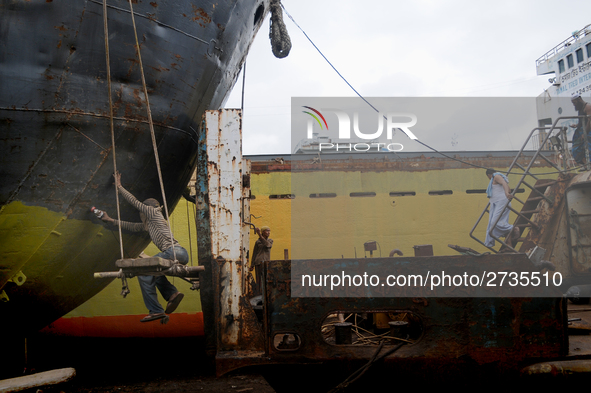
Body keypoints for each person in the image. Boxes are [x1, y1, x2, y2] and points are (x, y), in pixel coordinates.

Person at [100, 172, 188, 323]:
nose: (140, 214)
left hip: (174, 252)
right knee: (155, 273)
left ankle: (155, 310)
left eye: (141, 212)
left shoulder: (153, 212)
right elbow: (131, 226)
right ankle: (172, 294)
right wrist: (110, 220)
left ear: (145, 210)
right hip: (178, 253)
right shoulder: (149, 225)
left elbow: (134, 202)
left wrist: (119, 186)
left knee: (144, 271)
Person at [485, 169, 519, 248]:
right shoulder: (497, 178)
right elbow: (507, 187)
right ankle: (509, 245)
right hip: (497, 203)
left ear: (488, 175)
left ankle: (514, 228)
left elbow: (504, 183)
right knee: (501, 224)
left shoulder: (496, 176)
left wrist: (506, 193)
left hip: (501, 202)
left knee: (494, 222)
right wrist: (506, 191)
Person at [250, 226, 273, 296]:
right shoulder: (257, 242)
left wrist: (259, 235)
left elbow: (267, 245)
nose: (268, 232)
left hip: (266, 262)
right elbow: (254, 253)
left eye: (269, 231)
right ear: (263, 232)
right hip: (258, 262)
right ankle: (258, 294)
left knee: (266, 278)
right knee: (258, 279)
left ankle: (265, 293)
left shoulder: (270, 241)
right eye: (267, 231)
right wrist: (252, 265)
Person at [570, 95, 591, 166]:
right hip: (581, 130)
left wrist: (585, 133)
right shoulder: (580, 108)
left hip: (588, 130)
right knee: (575, 149)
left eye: (574, 103)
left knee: (588, 147)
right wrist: (576, 125)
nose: (574, 105)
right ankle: (585, 164)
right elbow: (582, 121)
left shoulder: (587, 107)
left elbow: (589, 121)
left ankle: (589, 164)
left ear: (579, 99)